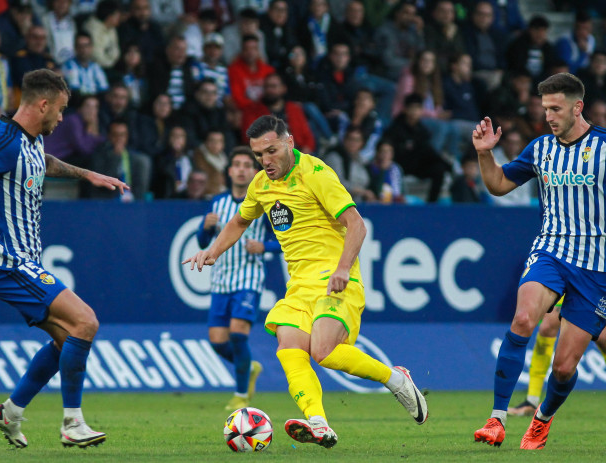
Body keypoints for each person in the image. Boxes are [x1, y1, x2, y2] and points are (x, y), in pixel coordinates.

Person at [183, 115, 428, 449]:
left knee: (324, 351)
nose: (265, 161)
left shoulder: (316, 174)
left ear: (289, 143)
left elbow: (356, 225)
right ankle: (318, 422)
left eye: (271, 151)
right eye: (259, 155)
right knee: (289, 348)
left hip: (335, 279)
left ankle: (396, 379)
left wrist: (343, 268)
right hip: (299, 286)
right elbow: (240, 221)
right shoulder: (260, 185)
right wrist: (213, 251)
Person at [472, 72, 606, 450]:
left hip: (597, 269)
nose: (549, 116)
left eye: (556, 108)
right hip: (551, 252)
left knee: (563, 367)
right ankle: (497, 418)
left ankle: (542, 419)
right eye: (545, 109)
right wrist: (484, 153)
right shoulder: (541, 148)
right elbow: (498, 185)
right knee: (525, 319)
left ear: (578, 107)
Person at [0, 69, 128, 448]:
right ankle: (72, 424)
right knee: (86, 321)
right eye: (60, 110)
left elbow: (45, 163)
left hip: (27, 263)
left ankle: (8, 412)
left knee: (68, 341)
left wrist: (89, 174)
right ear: (42, 104)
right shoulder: (4, 141)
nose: (62, 118)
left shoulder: (28, 144)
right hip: (8, 263)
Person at [509, 190, 606, 418]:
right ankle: (531, 399)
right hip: (569, 259)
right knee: (548, 325)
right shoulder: (575, 168)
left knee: (603, 337)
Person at [196, 146, 280, 411]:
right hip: (221, 280)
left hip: (249, 278)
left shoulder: (264, 202)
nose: (242, 169)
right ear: (230, 171)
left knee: (238, 335)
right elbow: (202, 241)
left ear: (253, 172)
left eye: (247, 164)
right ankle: (250, 367)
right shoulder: (217, 203)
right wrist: (205, 227)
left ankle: (241, 394)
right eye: (238, 164)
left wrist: (264, 247)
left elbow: (282, 239)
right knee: (217, 342)